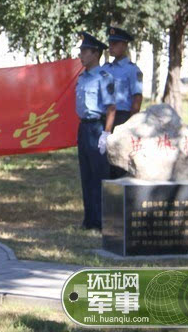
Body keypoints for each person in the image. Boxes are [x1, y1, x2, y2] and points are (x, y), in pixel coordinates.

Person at [76, 32, 116, 231]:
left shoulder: (104, 77)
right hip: (84, 127)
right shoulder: (82, 78)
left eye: (84, 51)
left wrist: (106, 133)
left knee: (99, 174)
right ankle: (89, 219)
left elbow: (111, 108)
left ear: (95, 54)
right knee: (86, 174)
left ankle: (101, 220)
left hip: (97, 127)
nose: (80, 55)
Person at [104, 26, 143, 178]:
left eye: (115, 44)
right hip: (106, 117)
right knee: (105, 162)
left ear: (124, 45)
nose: (111, 47)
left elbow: (137, 98)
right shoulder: (106, 67)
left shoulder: (132, 70)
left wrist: (130, 125)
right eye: (110, 43)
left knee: (119, 161)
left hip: (122, 118)